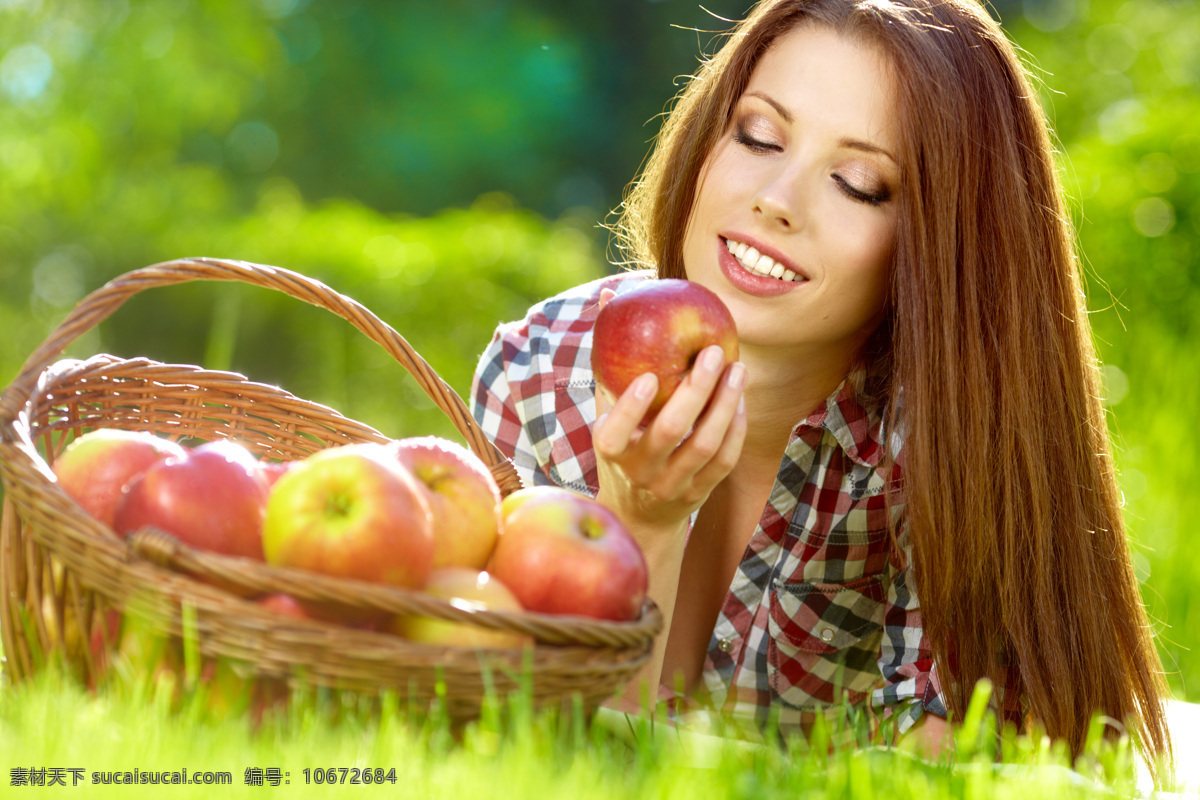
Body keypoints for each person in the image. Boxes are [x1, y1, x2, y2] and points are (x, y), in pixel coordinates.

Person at [470, 0, 1173, 778]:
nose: (777, 198)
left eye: (858, 183)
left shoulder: (947, 454)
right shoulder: (542, 371)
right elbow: (521, 749)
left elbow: (963, 778)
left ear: (940, 248)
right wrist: (642, 529)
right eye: (759, 136)